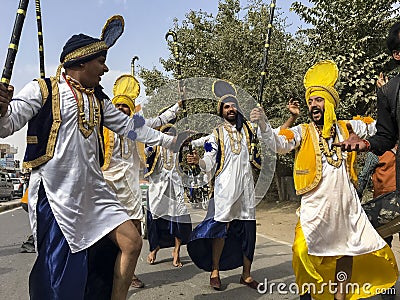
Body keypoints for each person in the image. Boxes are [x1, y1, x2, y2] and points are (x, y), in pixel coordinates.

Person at [0, 15, 178, 300]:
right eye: (101, 61)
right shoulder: (42, 89)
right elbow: (5, 126)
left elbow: (132, 129)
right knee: (60, 276)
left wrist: (173, 141)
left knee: (132, 243)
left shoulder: (98, 99)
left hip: (95, 192)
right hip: (57, 195)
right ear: (82, 62)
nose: (106, 68)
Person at [250, 60, 398, 300]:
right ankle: (307, 296)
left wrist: (385, 94)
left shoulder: (348, 127)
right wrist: (263, 123)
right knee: (301, 251)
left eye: (318, 100)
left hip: (346, 207)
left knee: (346, 253)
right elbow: (278, 143)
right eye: (310, 101)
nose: (313, 105)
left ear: (329, 102)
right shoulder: (302, 131)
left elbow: (382, 127)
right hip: (314, 209)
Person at [102, 74, 181, 287]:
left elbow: (158, 122)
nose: (121, 110)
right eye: (117, 106)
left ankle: (129, 273)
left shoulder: (136, 126)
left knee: (134, 232)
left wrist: (177, 106)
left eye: (125, 107)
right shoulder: (101, 127)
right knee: (105, 234)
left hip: (131, 187)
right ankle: (105, 272)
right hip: (106, 185)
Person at [185, 79, 263, 291]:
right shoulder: (215, 135)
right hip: (224, 191)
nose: (231, 109)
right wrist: (198, 162)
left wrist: (261, 118)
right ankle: (215, 270)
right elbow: (209, 160)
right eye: (226, 106)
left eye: (233, 105)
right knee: (220, 230)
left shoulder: (249, 130)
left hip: (246, 191)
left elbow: (268, 137)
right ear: (221, 111)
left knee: (248, 232)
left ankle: (246, 275)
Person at [144, 123, 192, 268]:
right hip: (158, 190)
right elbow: (144, 153)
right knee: (155, 222)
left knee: (178, 220)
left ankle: (176, 251)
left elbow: (192, 147)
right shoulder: (153, 147)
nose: (169, 137)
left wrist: (187, 137)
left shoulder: (179, 149)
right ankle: (154, 249)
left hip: (175, 189)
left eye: (172, 134)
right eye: (166, 134)